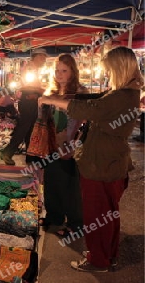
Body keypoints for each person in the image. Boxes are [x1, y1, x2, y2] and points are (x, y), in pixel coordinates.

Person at [39, 46, 144, 272]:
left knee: (98, 216)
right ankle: (106, 255)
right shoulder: (127, 93)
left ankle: (99, 261)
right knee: (107, 214)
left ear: (119, 69)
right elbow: (94, 103)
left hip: (103, 163)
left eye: (110, 70)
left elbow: (91, 109)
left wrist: (52, 99)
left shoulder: (122, 96)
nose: (107, 74)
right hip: (109, 161)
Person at [39, 54, 88, 238]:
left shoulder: (80, 93)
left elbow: (86, 120)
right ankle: (54, 217)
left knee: (70, 186)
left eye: (64, 71)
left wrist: (78, 139)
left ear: (73, 72)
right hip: (52, 145)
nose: (59, 74)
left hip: (71, 146)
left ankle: (75, 224)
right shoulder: (51, 91)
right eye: (57, 70)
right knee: (51, 181)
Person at [0, 48, 48, 165]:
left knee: (30, 130)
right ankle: (7, 153)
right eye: (43, 57)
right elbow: (26, 87)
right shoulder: (30, 69)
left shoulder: (34, 69)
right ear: (36, 56)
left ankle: (30, 157)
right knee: (23, 129)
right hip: (28, 102)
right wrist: (40, 91)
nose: (44, 60)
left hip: (31, 101)